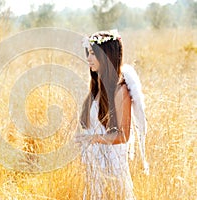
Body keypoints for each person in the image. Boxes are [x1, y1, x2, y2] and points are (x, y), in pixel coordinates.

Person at [75, 30, 148, 200]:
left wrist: (92, 139)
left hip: (113, 167)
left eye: (93, 53)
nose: (88, 59)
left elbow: (123, 135)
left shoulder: (120, 90)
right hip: (96, 167)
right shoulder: (97, 87)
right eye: (88, 53)